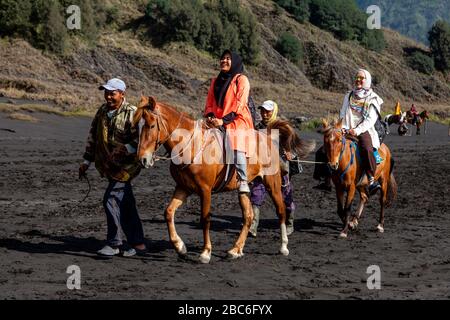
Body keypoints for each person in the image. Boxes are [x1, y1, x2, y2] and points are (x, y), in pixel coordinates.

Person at [78, 78, 146, 257]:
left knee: (110, 199)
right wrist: (86, 162)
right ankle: (138, 243)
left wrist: (126, 148)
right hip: (109, 165)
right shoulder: (102, 111)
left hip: (127, 166)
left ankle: (114, 243)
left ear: (122, 94)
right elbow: (93, 136)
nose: (108, 96)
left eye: (112, 93)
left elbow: (143, 140)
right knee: (126, 203)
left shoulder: (133, 113)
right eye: (106, 92)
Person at [204, 50, 254, 193]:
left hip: (237, 119)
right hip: (217, 119)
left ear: (235, 62)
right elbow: (209, 102)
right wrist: (210, 115)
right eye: (222, 58)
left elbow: (240, 104)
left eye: (228, 58)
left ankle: (243, 179)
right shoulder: (215, 81)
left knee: (237, 144)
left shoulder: (241, 79)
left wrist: (223, 121)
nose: (224, 61)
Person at [249, 100, 296, 237]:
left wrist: (290, 153)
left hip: (280, 168)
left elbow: (292, 146)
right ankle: (253, 226)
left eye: (268, 111)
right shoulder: (256, 128)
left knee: (285, 195)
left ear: (274, 111)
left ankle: (289, 224)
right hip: (260, 168)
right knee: (256, 194)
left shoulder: (282, 128)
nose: (264, 114)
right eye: (262, 111)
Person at [339, 68, 383, 195]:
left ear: (367, 80)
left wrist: (357, 130)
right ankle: (324, 178)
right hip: (346, 127)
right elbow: (343, 112)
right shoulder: (349, 95)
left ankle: (371, 179)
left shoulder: (373, 98)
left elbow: (370, 120)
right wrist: (341, 126)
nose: (358, 80)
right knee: (328, 145)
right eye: (357, 77)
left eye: (361, 78)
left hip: (363, 130)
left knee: (367, 149)